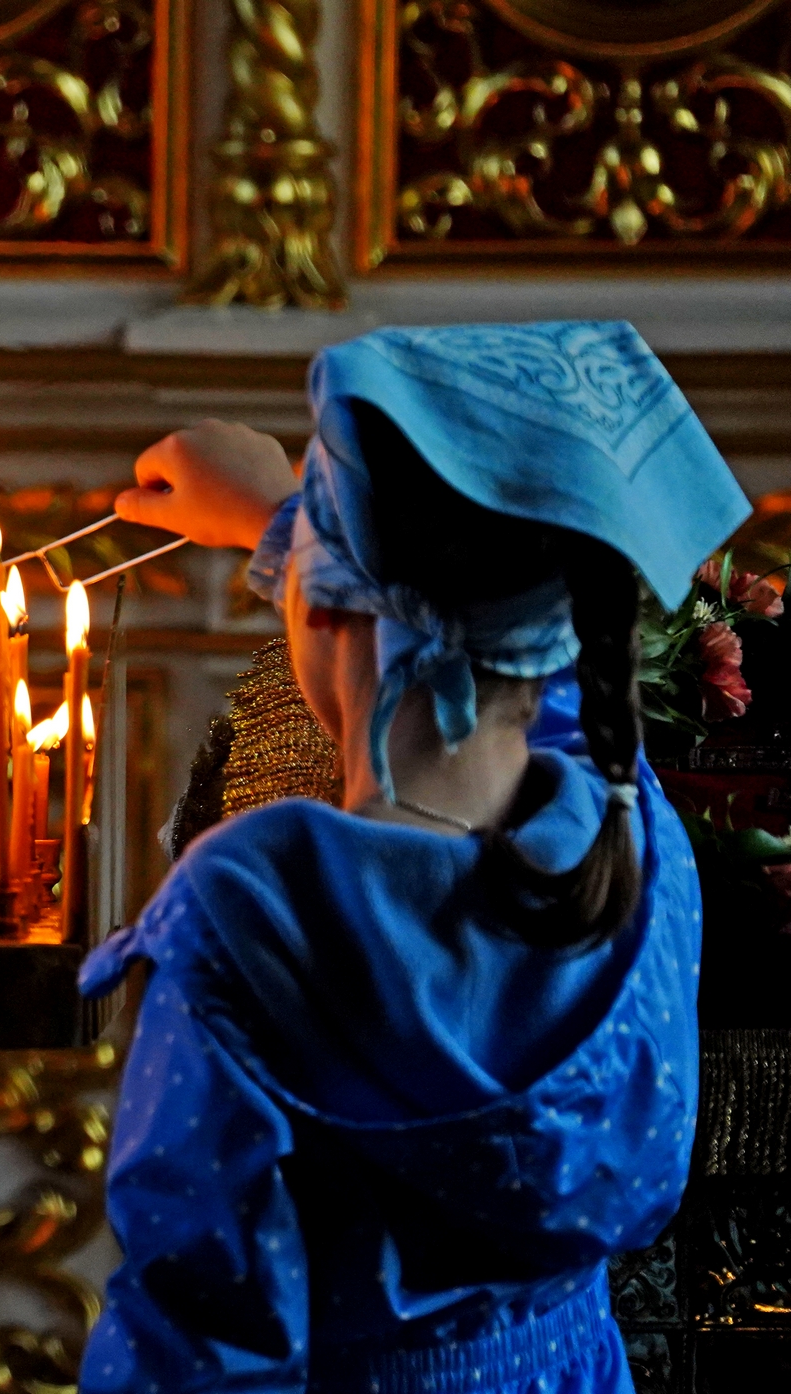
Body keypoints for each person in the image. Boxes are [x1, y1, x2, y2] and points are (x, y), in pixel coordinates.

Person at [80, 322, 749, 1393]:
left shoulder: (251, 915)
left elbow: (195, 1333)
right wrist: (286, 515)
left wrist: (289, 517)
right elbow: (518, 661)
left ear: (324, 604)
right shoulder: (635, 846)